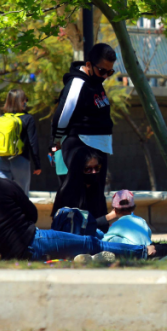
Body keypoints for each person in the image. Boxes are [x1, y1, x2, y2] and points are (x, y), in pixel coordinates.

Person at [0, 153, 167, 261]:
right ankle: (147, 252)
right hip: (32, 242)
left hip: (3, 255)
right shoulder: (3, 184)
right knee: (89, 242)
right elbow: (31, 214)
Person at [51, 43, 117, 232]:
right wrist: (55, 142)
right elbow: (62, 114)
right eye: (102, 71)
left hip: (98, 146)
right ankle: (71, 236)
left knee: (96, 196)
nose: (105, 76)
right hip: (81, 144)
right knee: (77, 195)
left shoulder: (96, 83)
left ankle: (97, 236)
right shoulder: (78, 83)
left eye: (110, 73)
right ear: (88, 64)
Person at [0, 88, 42, 195]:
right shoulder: (28, 118)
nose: (26, 102)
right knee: (22, 195)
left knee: (3, 194)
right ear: (21, 101)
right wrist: (37, 164)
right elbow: (33, 143)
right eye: (25, 99)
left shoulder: (1, 118)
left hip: (1, 159)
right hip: (20, 160)